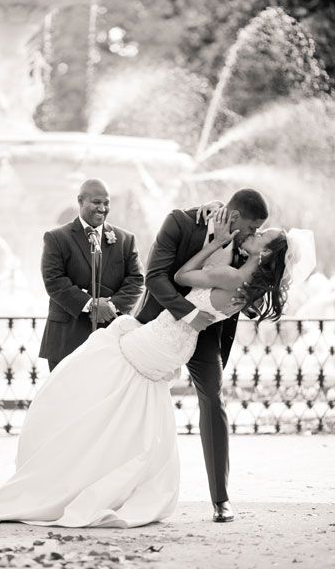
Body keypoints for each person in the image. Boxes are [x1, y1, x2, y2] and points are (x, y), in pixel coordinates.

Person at [0, 210, 301, 529]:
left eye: (261, 236)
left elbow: (181, 276)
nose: (254, 235)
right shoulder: (249, 287)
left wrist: (215, 243)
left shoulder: (230, 276)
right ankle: (108, 470)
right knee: (124, 404)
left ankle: (72, 463)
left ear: (267, 254)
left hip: (160, 339)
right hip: (177, 348)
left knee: (89, 380)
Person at [135, 188, 269, 522]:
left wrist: (253, 293)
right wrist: (187, 314)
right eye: (253, 229)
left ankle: (220, 500)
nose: (255, 236)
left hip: (206, 333)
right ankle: (129, 486)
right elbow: (155, 277)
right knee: (135, 401)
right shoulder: (180, 222)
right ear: (235, 218)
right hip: (160, 323)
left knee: (213, 398)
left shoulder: (246, 249)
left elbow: (247, 302)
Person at [39, 178, 144, 371]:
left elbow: (137, 280)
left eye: (106, 203)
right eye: (97, 202)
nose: (102, 208)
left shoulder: (125, 239)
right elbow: (54, 281)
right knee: (66, 398)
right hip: (66, 337)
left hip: (110, 337)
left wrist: (110, 306)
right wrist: (91, 305)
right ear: (80, 201)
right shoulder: (56, 238)